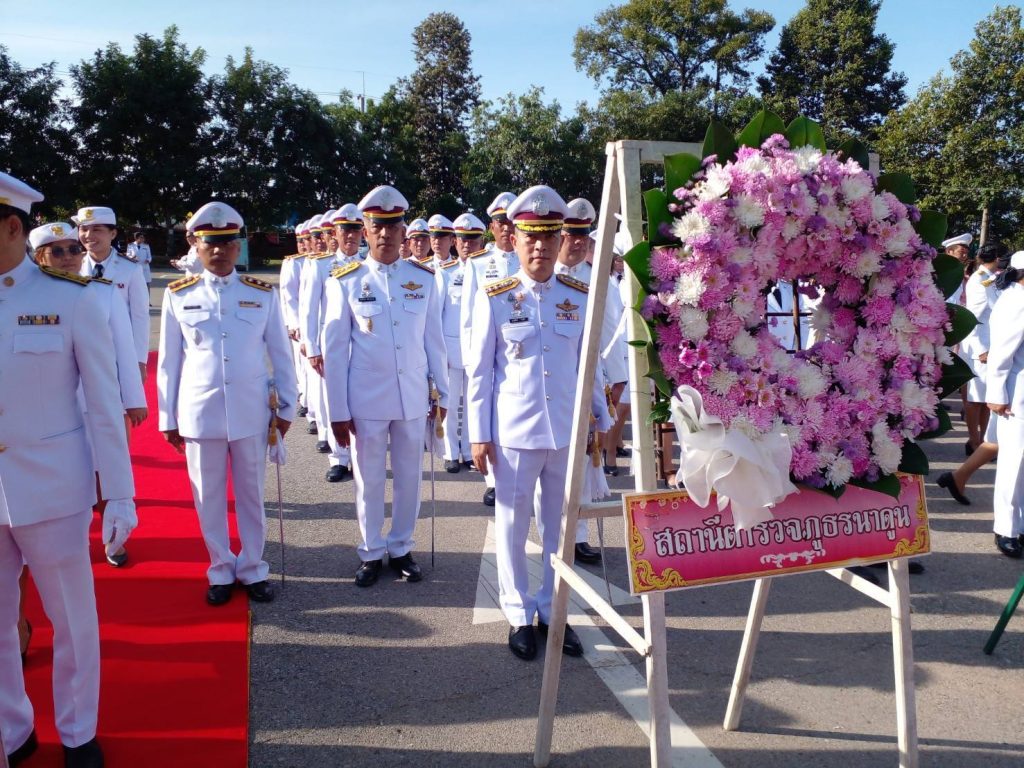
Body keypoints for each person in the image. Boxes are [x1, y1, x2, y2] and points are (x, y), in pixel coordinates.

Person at [0, 171, 136, 768]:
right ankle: (13, 730)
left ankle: (78, 731)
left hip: (54, 486)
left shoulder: (72, 298)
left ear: (11, 226)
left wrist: (121, 494)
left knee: (72, 622)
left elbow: (104, 404)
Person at [465, 184, 612, 661]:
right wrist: (478, 434)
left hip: (565, 430)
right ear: (515, 238)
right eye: (531, 236)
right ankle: (517, 612)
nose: (540, 247)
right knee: (511, 525)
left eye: (550, 237)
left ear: (559, 239)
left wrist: (600, 413)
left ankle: (552, 610)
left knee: (559, 526)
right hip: (514, 432)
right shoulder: (496, 296)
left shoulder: (577, 295)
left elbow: (587, 362)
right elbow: (480, 371)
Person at [157, 201, 296, 604]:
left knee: (252, 495)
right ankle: (220, 567)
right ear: (196, 247)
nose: (218, 250)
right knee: (208, 496)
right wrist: (168, 417)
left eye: (227, 242)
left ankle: (252, 567)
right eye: (210, 243)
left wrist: (287, 408)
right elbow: (168, 362)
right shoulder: (178, 295)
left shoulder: (261, 294)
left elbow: (281, 355)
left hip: (251, 411)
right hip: (200, 413)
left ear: (239, 246)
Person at [323, 185, 448, 587]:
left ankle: (401, 547)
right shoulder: (345, 281)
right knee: (369, 478)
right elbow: (335, 351)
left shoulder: (423, 278)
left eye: (393, 226)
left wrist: (443, 393)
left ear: (403, 231)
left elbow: (434, 340)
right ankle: (371, 550)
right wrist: (337, 411)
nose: (386, 234)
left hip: (411, 395)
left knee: (410, 477)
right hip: (366, 398)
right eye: (377, 226)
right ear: (365, 230)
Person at [30, 222, 147, 568]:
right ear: (39, 257)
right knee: (61, 479)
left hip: (100, 402)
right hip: (50, 407)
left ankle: (114, 539)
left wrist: (133, 399)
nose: (68, 256)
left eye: (74, 249)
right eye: (58, 251)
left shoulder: (103, 292)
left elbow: (124, 348)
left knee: (105, 472)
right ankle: (70, 542)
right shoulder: (25, 297)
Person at [461, 191, 518, 507]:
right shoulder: (478, 263)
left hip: (516, 352)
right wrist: (471, 359)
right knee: (486, 415)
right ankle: (494, 481)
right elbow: (468, 318)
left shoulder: (527, 259)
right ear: (491, 228)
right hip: (485, 350)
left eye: (510, 222)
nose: (506, 228)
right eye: (500, 223)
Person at [300, 205, 362, 482]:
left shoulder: (368, 265)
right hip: (331, 345)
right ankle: (338, 458)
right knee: (331, 401)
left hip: (360, 345)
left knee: (360, 402)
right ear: (334, 233)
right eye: (345, 230)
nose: (350, 236)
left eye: (355, 230)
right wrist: (312, 347)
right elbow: (309, 309)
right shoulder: (320, 265)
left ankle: (359, 455)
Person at [76, 206, 150, 383]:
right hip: (81, 352)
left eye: (97, 230)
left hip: (119, 352)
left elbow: (140, 316)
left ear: (113, 233)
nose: (88, 235)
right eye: (83, 229)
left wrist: (140, 360)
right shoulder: (74, 267)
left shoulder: (130, 269)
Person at [985, 249, 1024, 557]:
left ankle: (1019, 526)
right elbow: (1001, 351)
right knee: (1013, 464)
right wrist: (997, 394)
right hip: (1017, 396)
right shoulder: (1017, 301)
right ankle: (1006, 529)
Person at [440, 212, 486, 472]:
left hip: (479, 350)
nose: (467, 245)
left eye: (473, 240)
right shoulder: (445, 274)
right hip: (452, 350)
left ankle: (468, 451)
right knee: (449, 402)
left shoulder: (488, 271)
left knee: (472, 403)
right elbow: (436, 317)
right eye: (463, 240)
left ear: (481, 242)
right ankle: (450, 451)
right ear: (455, 242)